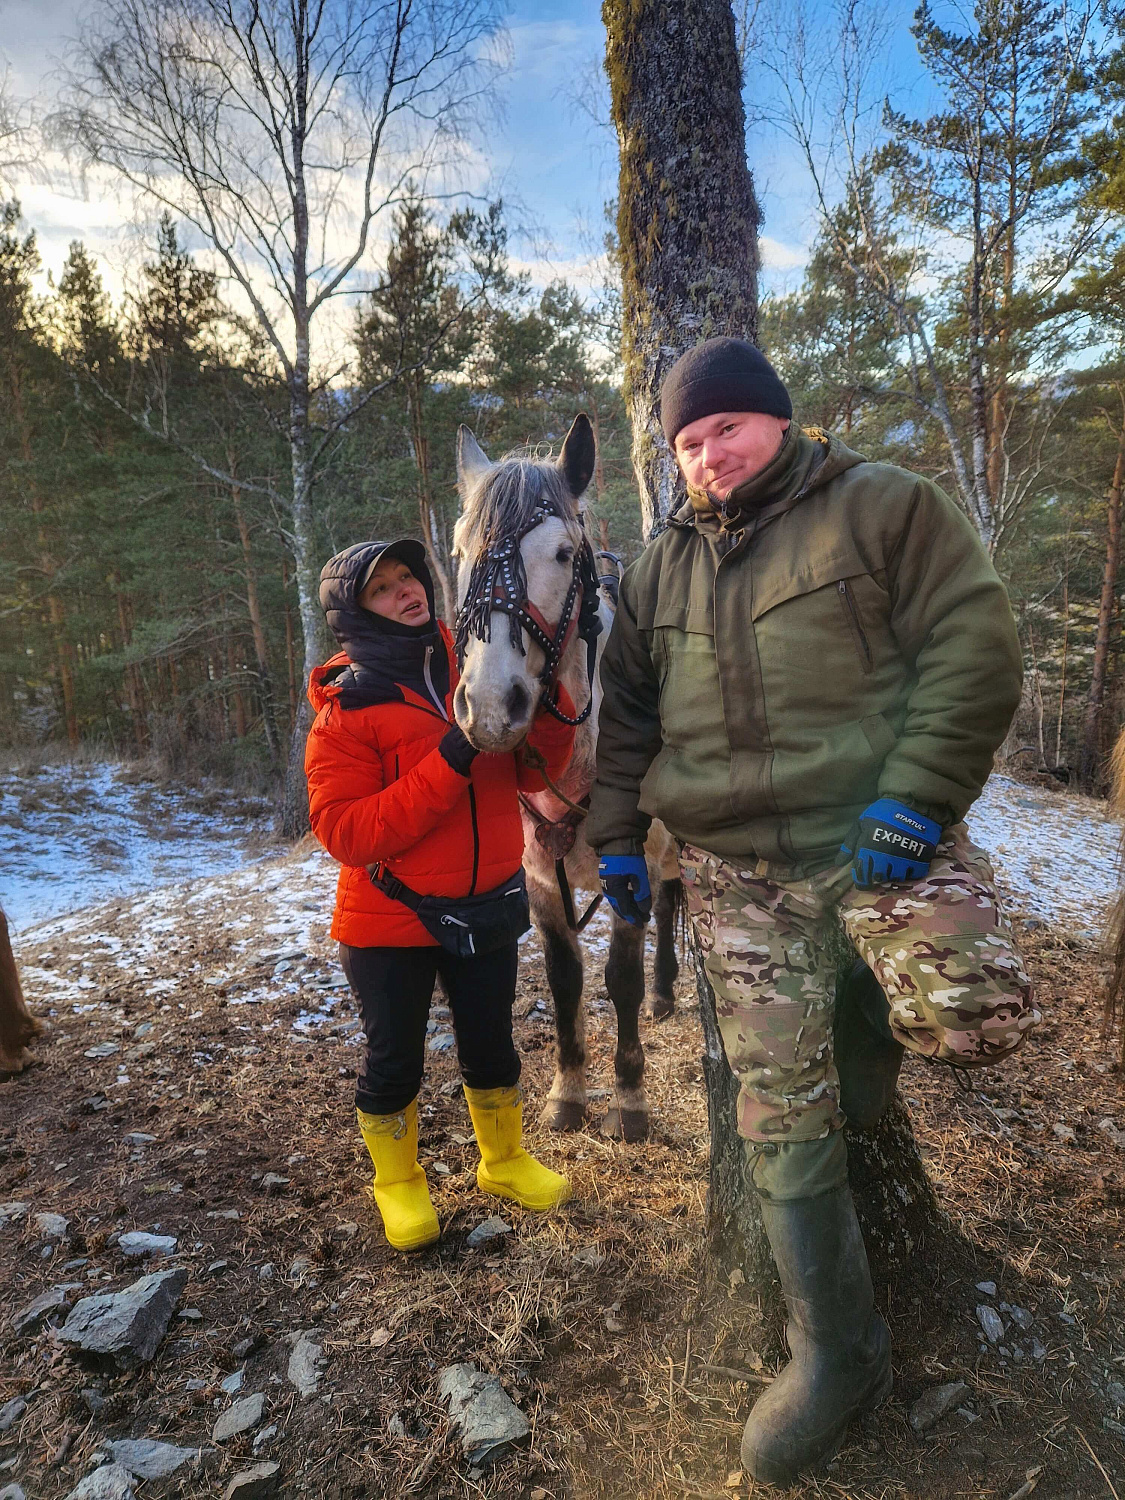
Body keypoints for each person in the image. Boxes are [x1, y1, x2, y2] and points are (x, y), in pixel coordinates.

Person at [586, 338, 1038, 1486]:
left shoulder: (885, 508)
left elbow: (976, 647)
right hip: (736, 871)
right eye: (687, 443)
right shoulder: (658, 573)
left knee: (973, 1019)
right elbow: (627, 714)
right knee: (778, 1108)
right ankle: (839, 1351)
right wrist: (616, 837)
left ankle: (864, 1041)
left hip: (878, 843)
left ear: (776, 421)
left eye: (724, 428)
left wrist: (916, 797)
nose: (707, 456)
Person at [306, 539, 575, 1252]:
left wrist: (545, 700)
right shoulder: (347, 708)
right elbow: (349, 833)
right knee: (394, 1061)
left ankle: (505, 1161)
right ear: (353, 617)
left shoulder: (477, 665)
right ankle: (397, 1184)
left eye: (409, 577)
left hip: (485, 902)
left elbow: (533, 772)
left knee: (492, 1048)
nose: (407, 591)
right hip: (387, 921)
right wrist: (455, 752)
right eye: (384, 589)